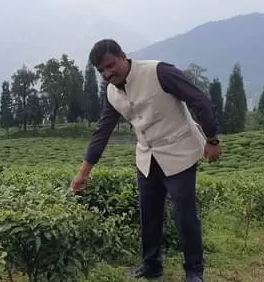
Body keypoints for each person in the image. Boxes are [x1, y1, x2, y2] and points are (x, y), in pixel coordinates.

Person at [70, 39, 222, 282]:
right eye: (102, 71)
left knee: (185, 215)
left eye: (111, 66)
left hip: (179, 152)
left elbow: (199, 100)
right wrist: (84, 172)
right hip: (147, 157)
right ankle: (151, 265)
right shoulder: (111, 93)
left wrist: (212, 139)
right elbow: (103, 131)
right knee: (148, 214)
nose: (108, 73)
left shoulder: (159, 72)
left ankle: (194, 271)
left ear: (123, 57)